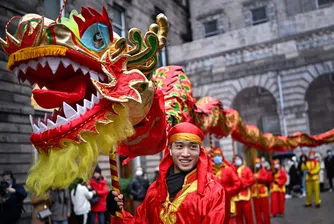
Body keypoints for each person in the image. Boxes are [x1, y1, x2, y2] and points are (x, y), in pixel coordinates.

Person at [107, 122, 227, 223]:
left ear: (200, 152)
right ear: (170, 150)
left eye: (192, 147)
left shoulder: (214, 192)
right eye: (179, 146)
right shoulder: (154, 191)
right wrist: (117, 212)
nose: (186, 154)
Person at [211, 148, 241, 224]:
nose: (217, 157)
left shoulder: (228, 170)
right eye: (215, 155)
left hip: (228, 202)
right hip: (213, 205)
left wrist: (225, 192)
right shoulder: (210, 171)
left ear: (222, 156)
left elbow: (237, 184)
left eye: (219, 155)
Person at [233, 154, 255, 224]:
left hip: (245, 197)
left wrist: (243, 184)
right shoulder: (232, 170)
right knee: (238, 219)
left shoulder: (246, 169)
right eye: (235, 159)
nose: (237, 160)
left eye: (238, 159)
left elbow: (251, 180)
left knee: (248, 217)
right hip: (235, 198)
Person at [252, 158, 271, 224]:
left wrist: (258, 177)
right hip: (255, 193)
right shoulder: (253, 171)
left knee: (265, 210)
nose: (257, 164)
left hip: (262, 192)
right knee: (257, 211)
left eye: (258, 163)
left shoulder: (263, 171)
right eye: (256, 163)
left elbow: (266, 179)